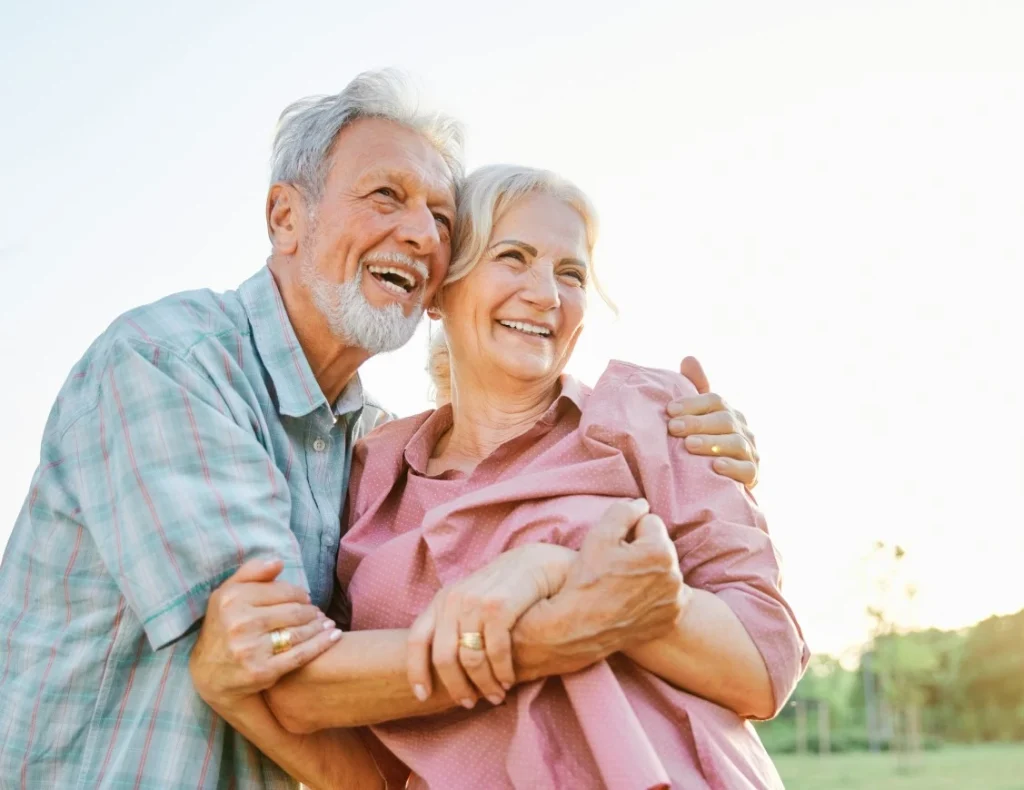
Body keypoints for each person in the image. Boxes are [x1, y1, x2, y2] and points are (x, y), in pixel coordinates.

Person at [0, 71, 760, 788]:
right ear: (284, 216)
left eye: (438, 216)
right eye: (385, 195)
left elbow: (352, 742)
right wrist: (565, 624)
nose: (418, 233)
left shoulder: (365, 448)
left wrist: (702, 455)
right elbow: (279, 669)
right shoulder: (172, 365)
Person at [190, 164, 807, 789]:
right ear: (439, 290)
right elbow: (360, 754)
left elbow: (763, 664)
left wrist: (558, 571)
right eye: (513, 257)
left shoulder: (654, 414)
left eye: (571, 274)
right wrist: (237, 695)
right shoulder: (370, 476)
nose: (547, 293)